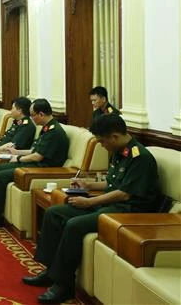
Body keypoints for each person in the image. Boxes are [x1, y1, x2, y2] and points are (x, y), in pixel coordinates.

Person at [23, 114, 161, 304]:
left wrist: (89, 202)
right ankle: (50, 270)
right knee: (54, 213)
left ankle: (64, 286)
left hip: (128, 211)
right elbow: (112, 183)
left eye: (102, 141)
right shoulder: (120, 151)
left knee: (74, 224)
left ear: (114, 136)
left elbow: (124, 193)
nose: (102, 145)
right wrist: (87, 185)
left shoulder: (140, 157)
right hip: (109, 205)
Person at [0, 98, 69, 229]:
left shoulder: (54, 131)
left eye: (33, 115)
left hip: (41, 168)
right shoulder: (46, 127)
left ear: (41, 114)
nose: (32, 118)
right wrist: (16, 152)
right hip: (34, 163)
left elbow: (37, 157)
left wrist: (18, 159)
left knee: (0, 176)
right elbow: (34, 150)